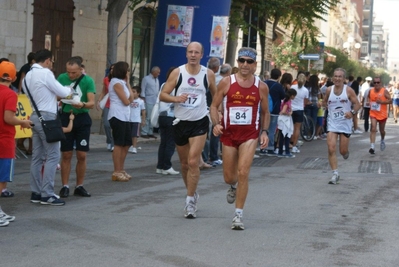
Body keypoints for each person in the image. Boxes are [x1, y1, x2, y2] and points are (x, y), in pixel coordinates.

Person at [210, 47, 270, 230]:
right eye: (241, 61)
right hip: (229, 134)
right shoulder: (227, 82)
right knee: (230, 177)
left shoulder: (261, 86)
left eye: (249, 61)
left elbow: (266, 112)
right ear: (237, 63)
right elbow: (214, 106)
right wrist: (216, 124)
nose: (245, 65)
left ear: (255, 65)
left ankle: (238, 215)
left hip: (250, 135)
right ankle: (232, 186)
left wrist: (265, 131)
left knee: (243, 171)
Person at [159, 41, 217, 219]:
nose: (193, 55)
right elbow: (163, 94)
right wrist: (176, 99)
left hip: (199, 122)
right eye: (190, 52)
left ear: (202, 55)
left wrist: (217, 112)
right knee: (184, 164)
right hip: (180, 122)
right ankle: (192, 192)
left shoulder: (208, 74)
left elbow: (216, 95)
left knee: (193, 162)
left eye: (196, 52)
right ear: (186, 54)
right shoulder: (178, 72)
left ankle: (189, 201)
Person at [23, 49, 72, 205]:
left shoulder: (27, 76)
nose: (51, 65)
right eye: (51, 61)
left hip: (35, 116)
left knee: (37, 157)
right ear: (47, 61)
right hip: (48, 117)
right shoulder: (45, 73)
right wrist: (69, 90)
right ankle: (47, 194)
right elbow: (62, 91)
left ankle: (36, 192)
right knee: (52, 155)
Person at [57, 56, 96, 198]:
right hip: (66, 116)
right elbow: (55, 95)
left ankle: (79, 185)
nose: (70, 75)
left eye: (73, 72)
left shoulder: (88, 80)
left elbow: (92, 102)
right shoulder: (61, 78)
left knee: (82, 154)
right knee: (66, 154)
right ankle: (65, 185)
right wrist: (61, 96)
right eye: (68, 72)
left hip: (82, 117)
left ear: (80, 69)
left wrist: (83, 104)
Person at [0, 61, 33, 225]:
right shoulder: (10, 94)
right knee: (1, 179)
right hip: (4, 139)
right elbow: (8, 118)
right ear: (13, 78)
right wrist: (23, 122)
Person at [322, 68, 361, 185]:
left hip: (345, 124)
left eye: (340, 76)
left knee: (342, 151)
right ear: (333, 78)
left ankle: (345, 152)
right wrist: (324, 105)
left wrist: (352, 113)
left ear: (344, 79)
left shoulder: (348, 91)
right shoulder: (329, 90)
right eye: (335, 76)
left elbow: (358, 105)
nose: (337, 78)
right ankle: (335, 173)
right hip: (332, 123)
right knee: (331, 148)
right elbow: (325, 102)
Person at [108, 61, 134, 182]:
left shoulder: (123, 83)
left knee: (127, 143)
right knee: (119, 143)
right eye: (127, 70)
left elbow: (132, 98)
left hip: (125, 116)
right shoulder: (115, 82)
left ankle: (121, 169)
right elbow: (126, 101)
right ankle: (116, 170)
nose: (128, 72)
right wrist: (128, 99)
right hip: (117, 115)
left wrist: (128, 82)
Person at [156, 67, 180, 175]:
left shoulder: (163, 85)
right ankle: (167, 166)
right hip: (171, 116)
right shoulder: (175, 86)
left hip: (162, 116)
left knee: (163, 143)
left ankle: (160, 166)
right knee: (170, 143)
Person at [202, 57, 223, 166]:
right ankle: (208, 158)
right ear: (216, 67)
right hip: (207, 109)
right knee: (209, 135)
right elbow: (215, 95)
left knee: (206, 135)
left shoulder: (203, 74)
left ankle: (206, 158)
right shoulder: (214, 78)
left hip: (206, 108)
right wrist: (218, 110)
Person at [260, 68, 284, 156]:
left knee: (263, 129)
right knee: (272, 130)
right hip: (274, 110)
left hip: (263, 109)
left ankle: (262, 147)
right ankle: (270, 148)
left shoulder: (264, 83)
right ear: (278, 76)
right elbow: (283, 96)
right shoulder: (278, 86)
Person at [15, 52, 35, 155]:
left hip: (30, 97)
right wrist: (19, 92)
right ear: (32, 60)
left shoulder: (34, 69)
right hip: (26, 97)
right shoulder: (26, 68)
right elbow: (21, 80)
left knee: (28, 121)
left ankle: (24, 144)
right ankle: (24, 144)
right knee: (28, 120)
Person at [367, 76, 392, 154]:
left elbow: (390, 100)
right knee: (373, 128)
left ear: (380, 83)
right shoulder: (370, 91)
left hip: (382, 114)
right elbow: (368, 97)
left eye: (378, 82)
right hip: (373, 113)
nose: (376, 84)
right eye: (375, 82)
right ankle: (372, 147)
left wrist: (382, 102)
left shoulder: (384, 91)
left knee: (382, 131)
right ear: (373, 83)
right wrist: (368, 102)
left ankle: (382, 139)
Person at [96, 64, 114, 151]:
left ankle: (113, 144)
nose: (112, 70)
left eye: (114, 69)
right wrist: (99, 101)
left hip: (116, 106)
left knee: (114, 126)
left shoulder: (121, 80)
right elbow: (103, 91)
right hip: (107, 104)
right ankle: (109, 140)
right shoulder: (106, 79)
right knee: (106, 124)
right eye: (111, 69)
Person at [290, 73, 309, 153]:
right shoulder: (305, 90)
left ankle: (288, 143)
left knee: (290, 128)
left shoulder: (292, 87)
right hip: (299, 110)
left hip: (291, 109)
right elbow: (305, 101)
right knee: (297, 129)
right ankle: (294, 145)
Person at [140, 66, 160, 139]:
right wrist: (143, 98)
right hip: (148, 100)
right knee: (148, 117)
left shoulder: (156, 79)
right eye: (158, 72)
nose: (158, 74)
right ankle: (144, 132)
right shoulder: (146, 79)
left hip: (155, 100)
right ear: (154, 72)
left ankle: (150, 132)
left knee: (153, 117)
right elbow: (143, 89)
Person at [277, 89, 297, 158]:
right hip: (285, 120)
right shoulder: (287, 102)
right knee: (286, 136)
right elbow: (283, 111)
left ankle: (280, 151)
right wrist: (289, 113)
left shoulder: (285, 100)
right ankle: (287, 151)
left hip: (282, 120)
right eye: (294, 96)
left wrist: (290, 111)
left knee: (282, 136)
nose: (295, 97)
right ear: (292, 95)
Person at [128, 86, 146, 154]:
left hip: (136, 120)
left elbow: (143, 111)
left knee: (134, 135)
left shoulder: (141, 101)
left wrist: (143, 120)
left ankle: (134, 147)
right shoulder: (129, 100)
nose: (132, 93)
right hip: (129, 120)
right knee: (129, 134)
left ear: (138, 93)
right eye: (131, 91)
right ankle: (130, 146)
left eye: (134, 92)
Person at [304, 74, 321, 141]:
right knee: (314, 119)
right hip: (315, 104)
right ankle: (313, 134)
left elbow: (306, 96)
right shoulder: (317, 88)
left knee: (307, 118)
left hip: (308, 104)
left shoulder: (307, 88)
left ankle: (305, 133)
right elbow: (319, 97)